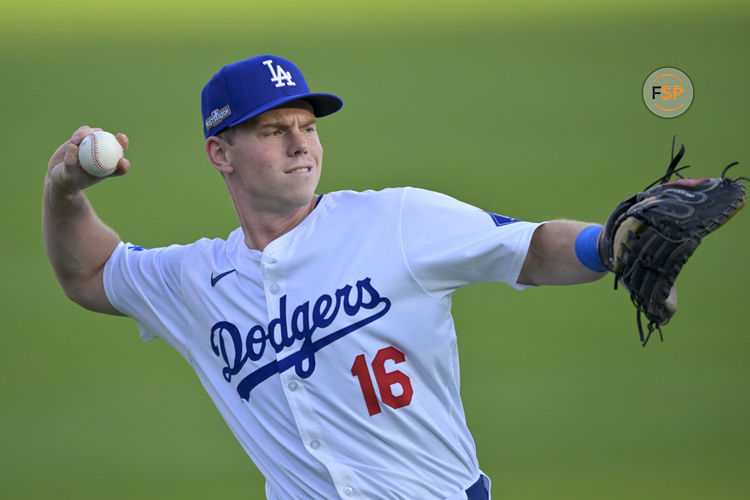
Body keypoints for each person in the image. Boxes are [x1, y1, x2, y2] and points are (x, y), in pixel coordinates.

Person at [43, 55, 608, 499]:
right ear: (221, 153)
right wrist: (63, 190)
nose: (301, 144)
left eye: (308, 126)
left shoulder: (395, 219)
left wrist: (608, 245)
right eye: (272, 131)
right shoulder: (195, 279)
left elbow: (530, 247)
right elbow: (90, 272)